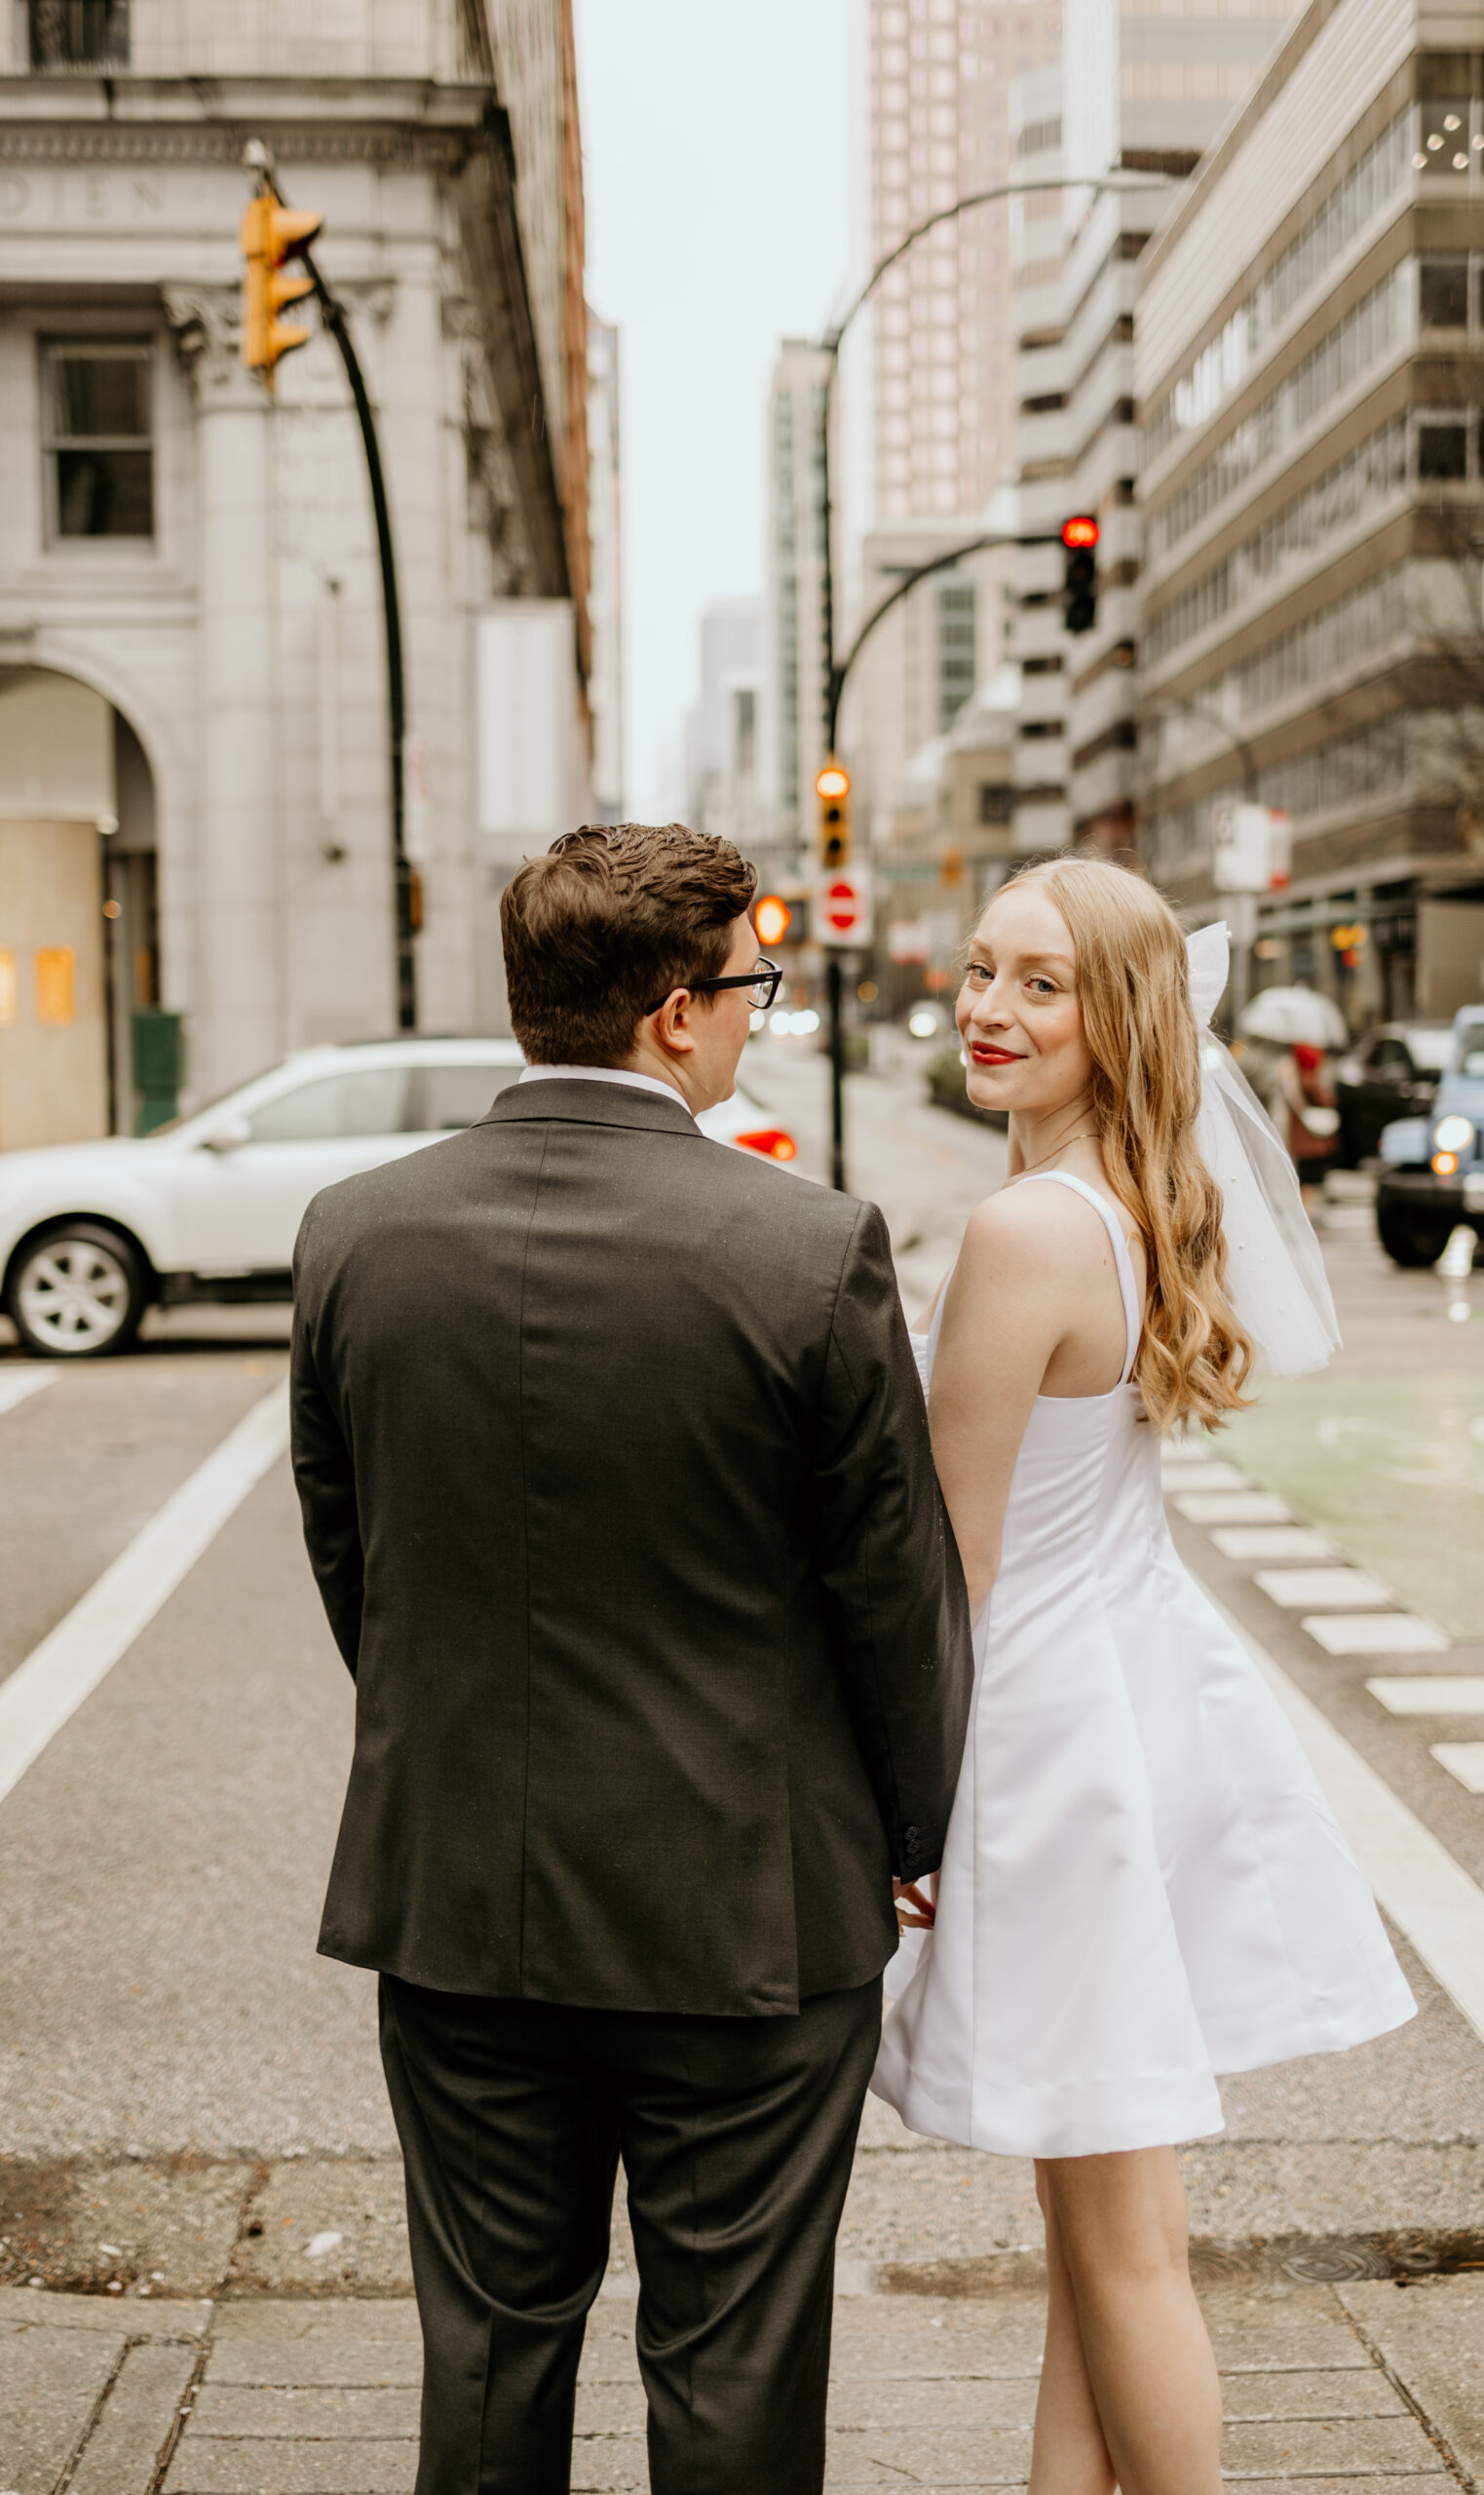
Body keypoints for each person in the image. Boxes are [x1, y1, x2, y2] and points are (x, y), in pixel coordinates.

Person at [289, 824, 973, 2495]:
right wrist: (911, 1839)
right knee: (734, 2362)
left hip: (456, 1901)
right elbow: (894, 1596)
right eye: (751, 986)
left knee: (488, 2350)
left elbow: (350, 1556)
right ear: (676, 1012)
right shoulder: (809, 1252)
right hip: (746, 1912)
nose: (756, 1013)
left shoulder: (354, 1234)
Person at [871, 859, 1414, 2495]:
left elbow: (948, 1565)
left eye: (1040, 983)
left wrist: (899, 1803)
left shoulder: (1026, 1227)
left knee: (1119, 2245)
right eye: (979, 971)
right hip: (1131, 1698)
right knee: (1096, 2223)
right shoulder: (1129, 1198)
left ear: (1117, 1019)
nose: (986, 1007)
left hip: (1042, 1743)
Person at [1275, 1039, 1340, 1203]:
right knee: (1308, 1178)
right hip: (1309, 1136)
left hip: (1299, 1134)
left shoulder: (1291, 1075)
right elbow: (1325, 1100)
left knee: (1304, 1176)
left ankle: (1304, 1206)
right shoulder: (1308, 1078)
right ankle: (1305, 1210)